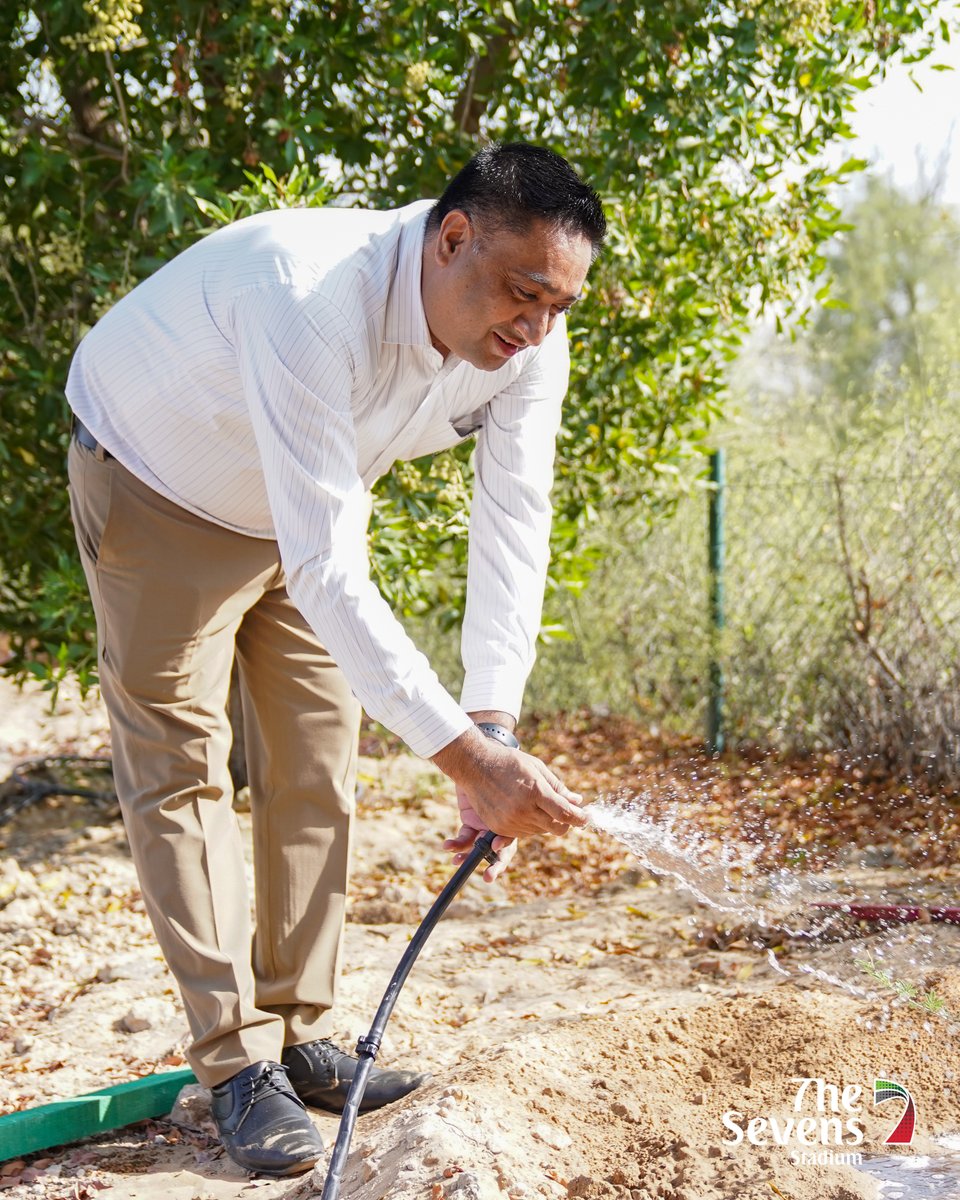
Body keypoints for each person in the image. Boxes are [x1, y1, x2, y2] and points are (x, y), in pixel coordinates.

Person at [65, 141, 606, 1176]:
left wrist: (488, 724)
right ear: (453, 239)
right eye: (522, 294)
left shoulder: (530, 342)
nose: (535, 329)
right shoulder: (308, 295)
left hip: (303, 510)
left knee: (319, 756)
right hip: (157, 480)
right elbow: (329, 567)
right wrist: (463, 760)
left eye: (559, 308)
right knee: (180, 770)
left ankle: (301, 1030)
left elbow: (514, 519)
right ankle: (233, 1067)